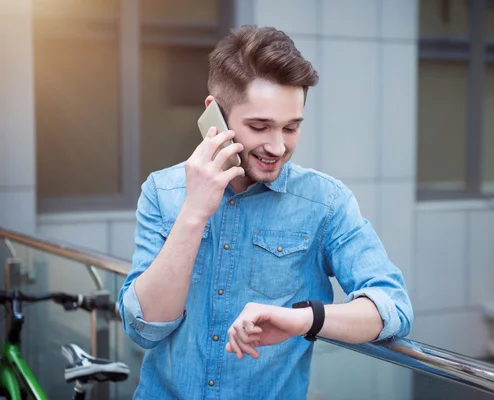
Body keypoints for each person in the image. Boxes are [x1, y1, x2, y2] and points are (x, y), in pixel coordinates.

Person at [118, 25, 413, 400]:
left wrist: (304, 319)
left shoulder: (326, 203)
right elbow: (145, 329)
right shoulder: (163, 192)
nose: (277, 146)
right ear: (216, 117)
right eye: (260, 126)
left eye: (291, 127)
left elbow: (394, 308)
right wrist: (194, 212)